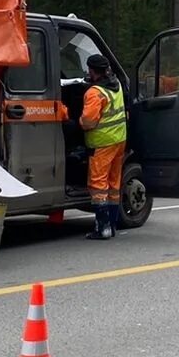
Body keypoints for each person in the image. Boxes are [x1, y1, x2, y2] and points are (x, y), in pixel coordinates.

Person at [78, 54, 127, 239]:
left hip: (101, 144)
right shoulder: (116, 86)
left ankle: (103, 229)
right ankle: (112, 226)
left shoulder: (94, 92)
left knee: (98, 185)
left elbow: (89, 122)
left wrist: (78, 120)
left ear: (91, 70)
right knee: (113, 185)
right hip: (119, 141)